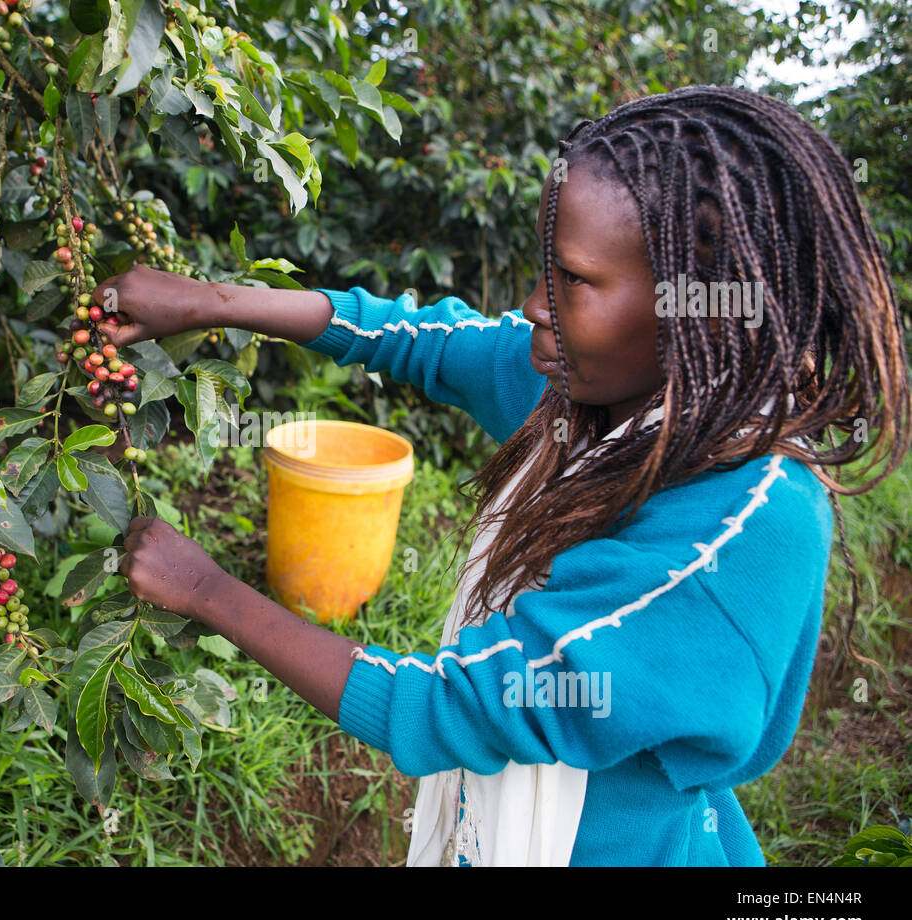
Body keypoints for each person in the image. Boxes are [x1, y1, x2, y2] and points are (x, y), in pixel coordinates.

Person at [90, 86, 910, 866]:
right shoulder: (597, 391)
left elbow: (456, 706)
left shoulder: (747, 523)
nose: (533, 306)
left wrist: (204, 589)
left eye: (575, 282)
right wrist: (212, 302)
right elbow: (419, 338)